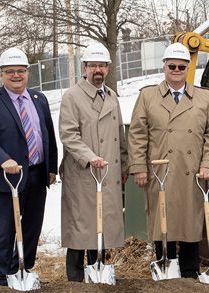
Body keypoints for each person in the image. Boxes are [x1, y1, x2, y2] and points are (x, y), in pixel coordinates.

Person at [128, 43, 209, 278]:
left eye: (181, 66)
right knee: (162, 220)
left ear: (188, 68)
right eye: (172, 66)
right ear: (164, 67)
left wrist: (208, 163)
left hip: (192, 172)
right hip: (160, 172)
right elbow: (138, 134)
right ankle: (165, 266)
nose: (177, 70)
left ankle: (190, 271)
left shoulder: (205, 97)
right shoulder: (147, 96)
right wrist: (139, 167)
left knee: (190, 221)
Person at [0, 47, 58, 286]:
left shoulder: (38, 98)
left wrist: (51, 167)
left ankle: (21, 271)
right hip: (6, 178)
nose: (16, 76)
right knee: (4, 230)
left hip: (35, 174)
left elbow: (47, 135)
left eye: (20, 71)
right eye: (9, 71)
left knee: (32, 228)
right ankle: (1, 279)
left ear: (27, 72)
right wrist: (4, 160)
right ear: (1, 74)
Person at [58, 42, 128, 281]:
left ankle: (98, 273)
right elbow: (69, 134)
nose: (98, 70)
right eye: (93, 65)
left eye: (102, 65)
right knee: (81, 227)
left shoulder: (112, 97)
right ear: (84, 68)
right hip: (82, 172)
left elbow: (120, 134)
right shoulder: (72, 97)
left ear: (108, 69)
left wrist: (125, 165)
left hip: (106, 172)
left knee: (102, 225)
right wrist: (89, 158)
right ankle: (75, 280)